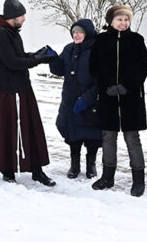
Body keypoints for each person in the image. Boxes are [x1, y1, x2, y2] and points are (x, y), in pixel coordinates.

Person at [0, 0, 57, 186]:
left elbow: (19, 57)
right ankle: (7, 170)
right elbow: (12, 63)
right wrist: (38, 60)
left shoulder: (13, 32)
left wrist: (36, 55)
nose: (24, 19)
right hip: (9, 92)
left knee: (31, 130)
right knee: (9, 131)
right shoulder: (0, 35)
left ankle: (36, 170)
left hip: (23, 89)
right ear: (12, 16)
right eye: (22, 15)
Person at [89, 5, 147, 196]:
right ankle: (108, 176)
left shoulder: (137, 40)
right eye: (119, 19)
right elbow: (94, 66)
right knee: (108, 137)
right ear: (111, 21)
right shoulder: (100, 40)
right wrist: (107, 86)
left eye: (126, 20)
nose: (123, 23)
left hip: (131, 98)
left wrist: (127, 85)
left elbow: (143, 67)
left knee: (132, 138)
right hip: (107, 96)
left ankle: (138, 180)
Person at [48, 19, 102, 180]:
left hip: (90, 101)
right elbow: (59, 70)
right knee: (72, 132)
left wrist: (87, 99)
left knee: (91, 134)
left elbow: (101, 79)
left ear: (88, 33)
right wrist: (52, 58)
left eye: (80, 32)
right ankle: (75, 164)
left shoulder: (97, 50)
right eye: (74, 32)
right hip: (70, 100)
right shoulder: (69, 49)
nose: (76, 35)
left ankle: (91, 164)